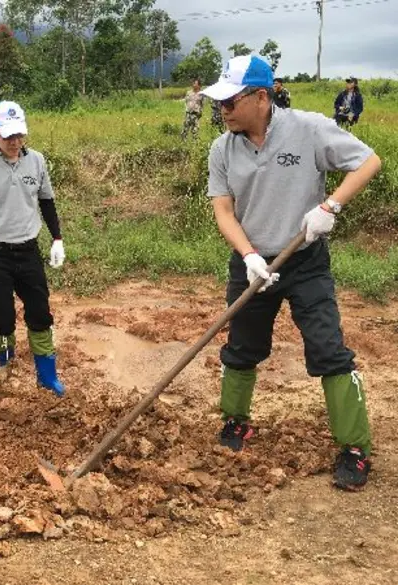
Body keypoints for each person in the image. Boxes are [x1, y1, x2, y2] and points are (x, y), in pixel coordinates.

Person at [201, 55, 382, 491]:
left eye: (230, 101)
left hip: (305, 259)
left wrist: (330, 206)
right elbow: (223, 210)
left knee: (327, 348)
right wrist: (247, 256)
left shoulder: (309, 128)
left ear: (261, 98)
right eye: (219, 101)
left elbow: (368, 161)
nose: (222, 109)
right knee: (242, 345)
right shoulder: (222, 147)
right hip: (253, 262)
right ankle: (236, 422)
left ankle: (355, 449)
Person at [0, 101, 66, 395]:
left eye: (19, 135)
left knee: (40, 312)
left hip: (28, 248)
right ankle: (4, 368)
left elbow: (46, 201)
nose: (15, 142)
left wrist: (57, 238)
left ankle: (47, 376)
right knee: (3, 316)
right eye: (8, 136)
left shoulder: (36, 161)